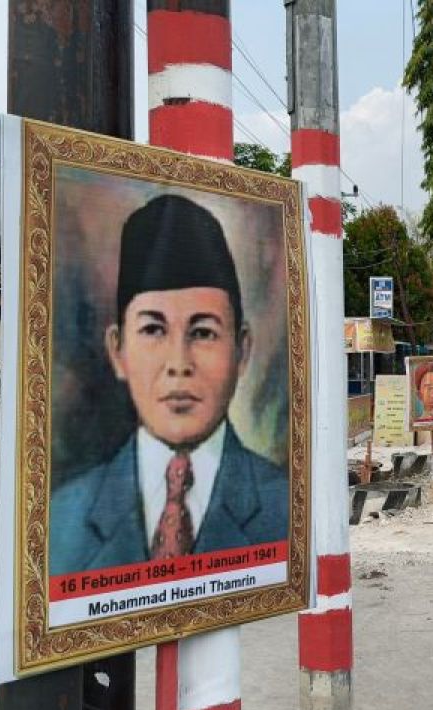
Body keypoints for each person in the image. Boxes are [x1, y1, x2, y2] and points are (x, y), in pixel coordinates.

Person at [49, 195, 289, 576]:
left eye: (203, 332)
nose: (179, 364)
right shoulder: (63, 517)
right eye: (153, 330)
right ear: (118, 350)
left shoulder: (286, 504)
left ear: (242, 349)